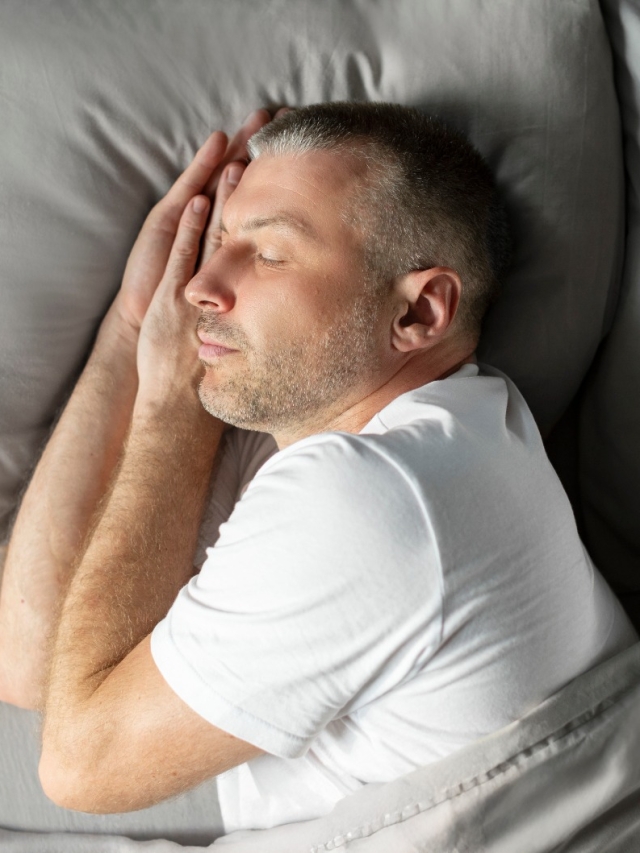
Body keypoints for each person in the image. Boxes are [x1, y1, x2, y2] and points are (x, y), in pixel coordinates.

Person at [0, 102, 636, 833]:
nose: (202, 285)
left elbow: (78, 763)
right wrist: (134, 323)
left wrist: (170, 397)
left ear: (420, 312)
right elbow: (32, 661)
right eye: (222, 239)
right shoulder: (472, 427)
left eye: (270, 254)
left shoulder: (368, 500)